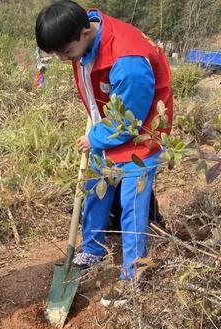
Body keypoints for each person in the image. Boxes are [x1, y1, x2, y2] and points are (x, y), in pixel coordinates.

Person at [35, 0, 173, 307]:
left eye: (65, 53)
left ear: (86, 33)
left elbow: (130, 120)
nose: (62, 59)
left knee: (131, 205)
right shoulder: (84, 39)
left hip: (141, 138)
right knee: (94, 191)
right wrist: (98, 130)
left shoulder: (129, 60)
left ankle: (132, 275)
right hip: (105, 132)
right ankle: (93, 249)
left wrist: (94, 136)